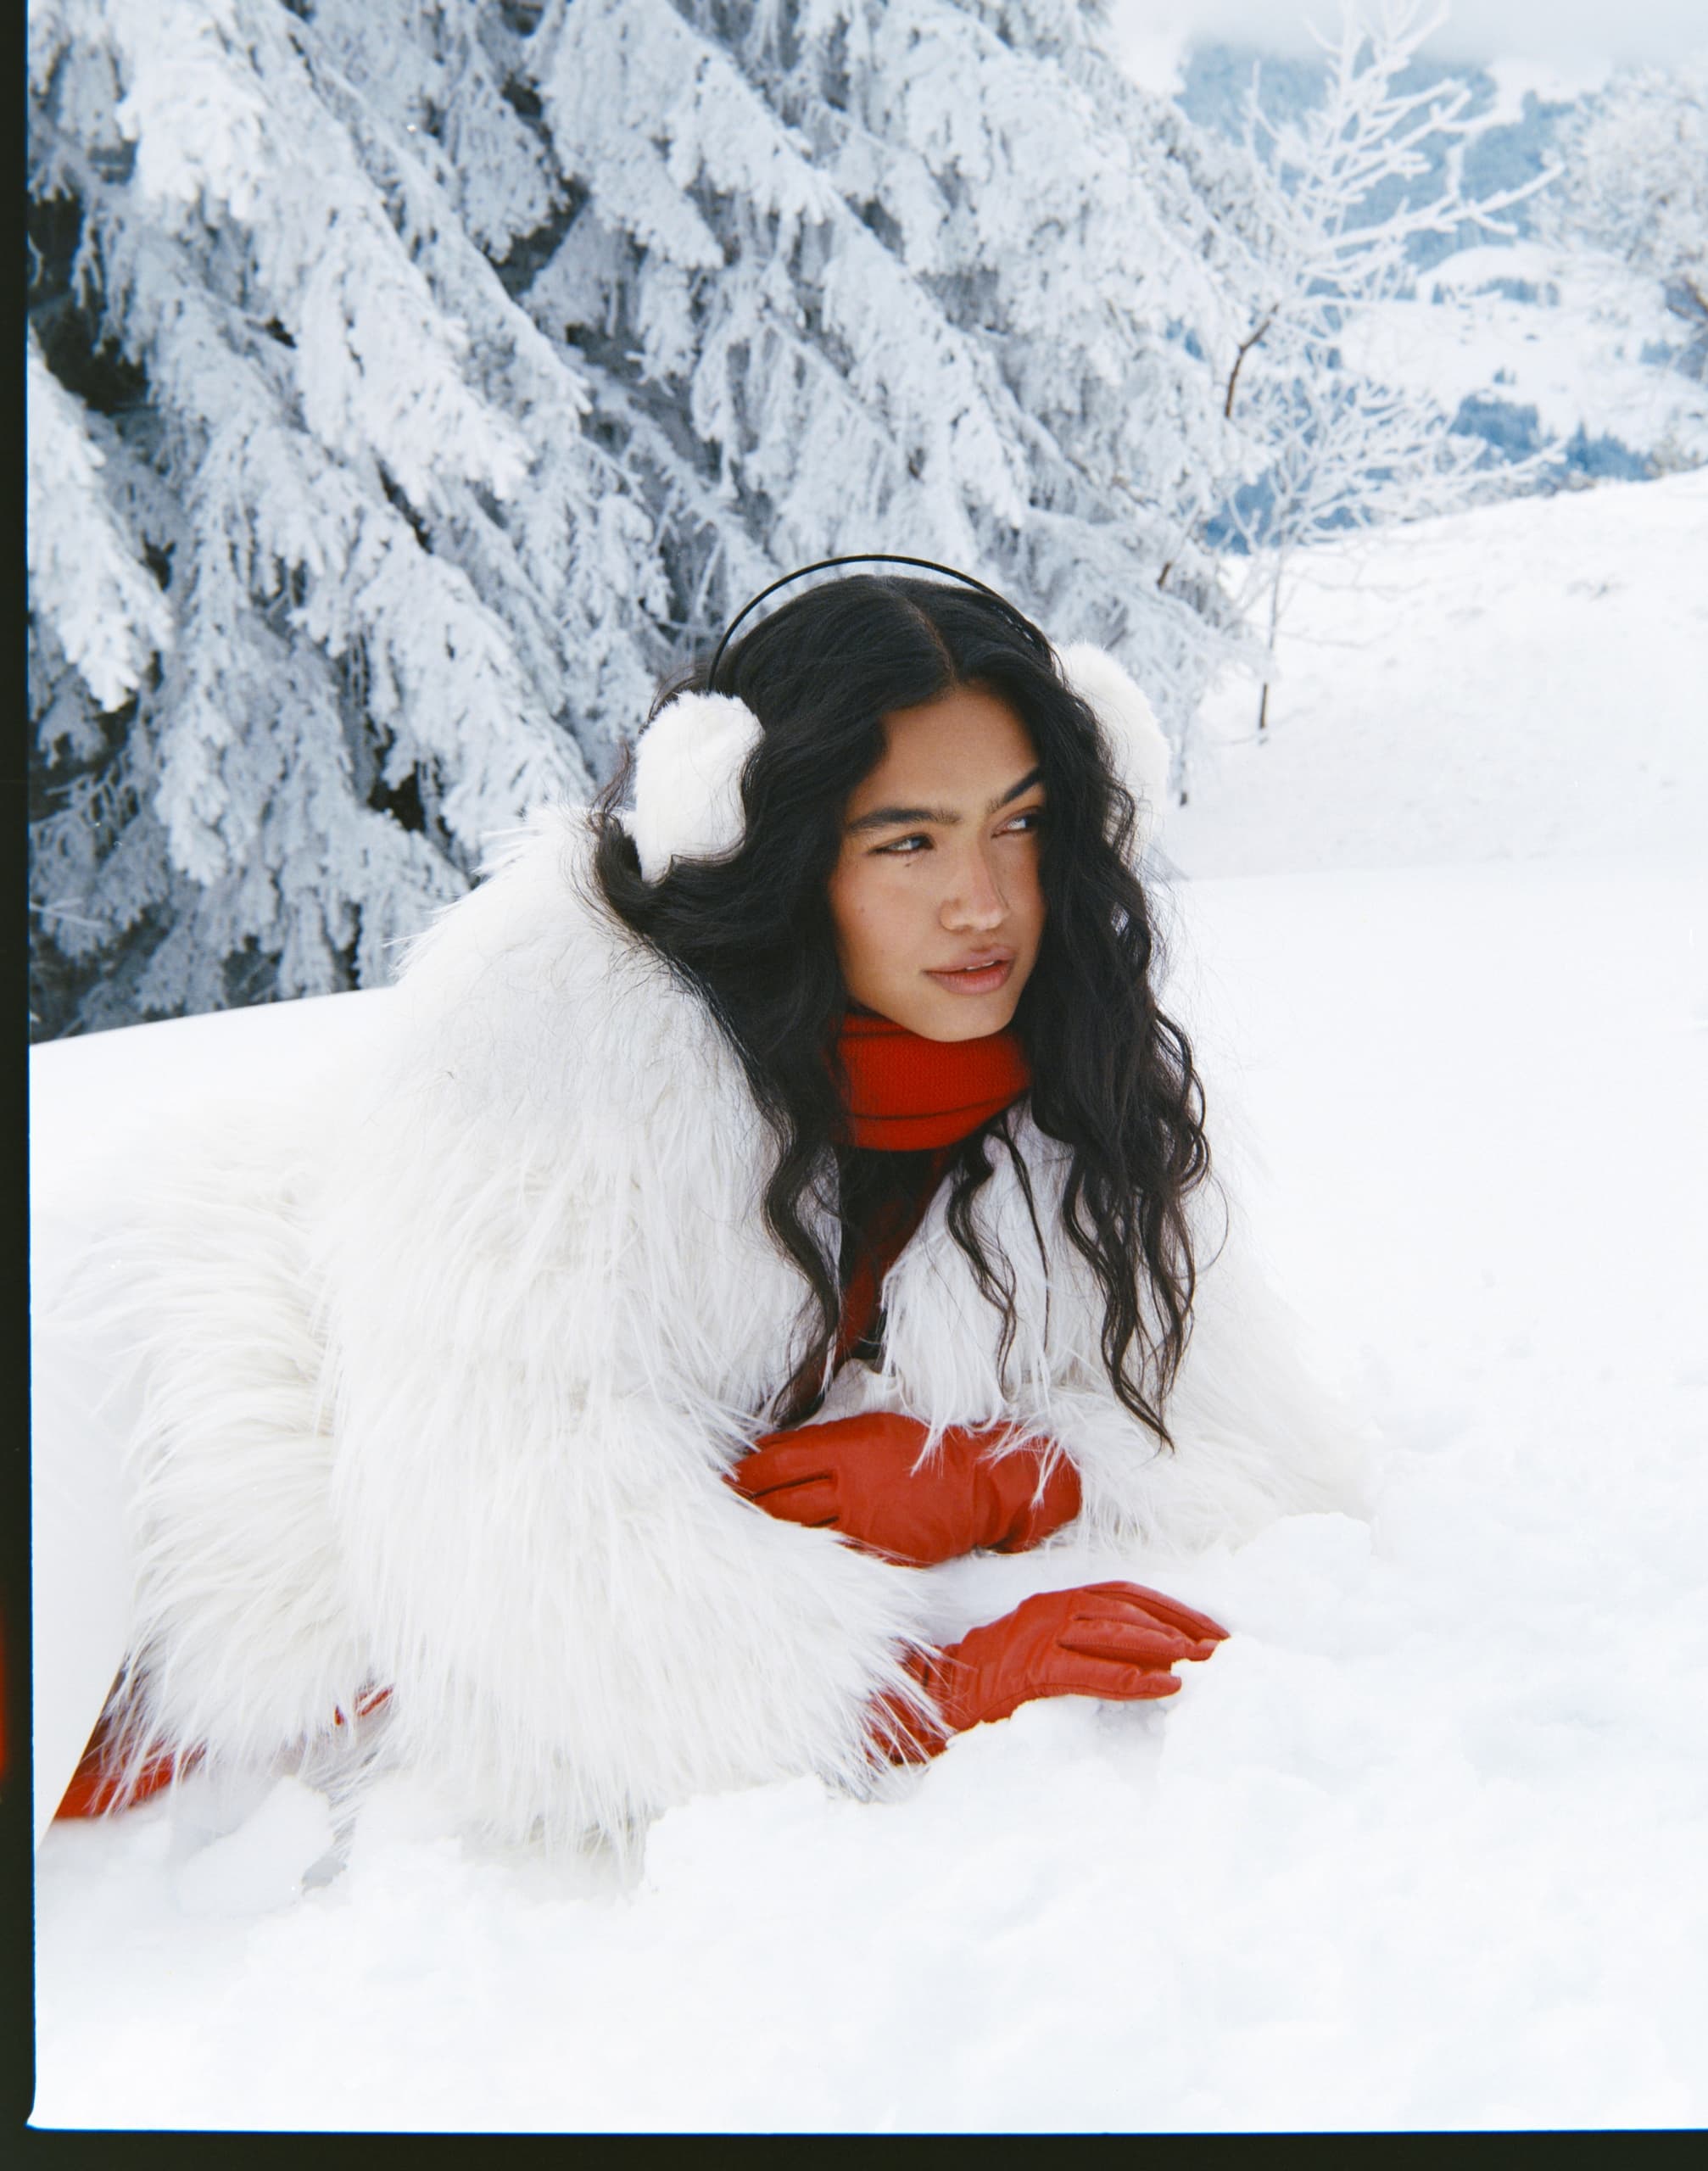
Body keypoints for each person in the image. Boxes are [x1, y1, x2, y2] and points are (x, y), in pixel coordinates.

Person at [70, 564, 1365, 1851]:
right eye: (907, 840)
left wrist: (1011, 1478)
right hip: (156, 1456)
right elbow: (518, 1562)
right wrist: (912, 1685)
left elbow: (1252, 1435)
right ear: (778, 847)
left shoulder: (1063, 1074)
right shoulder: (555, 1040)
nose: (982, 902)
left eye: (1017, 824)